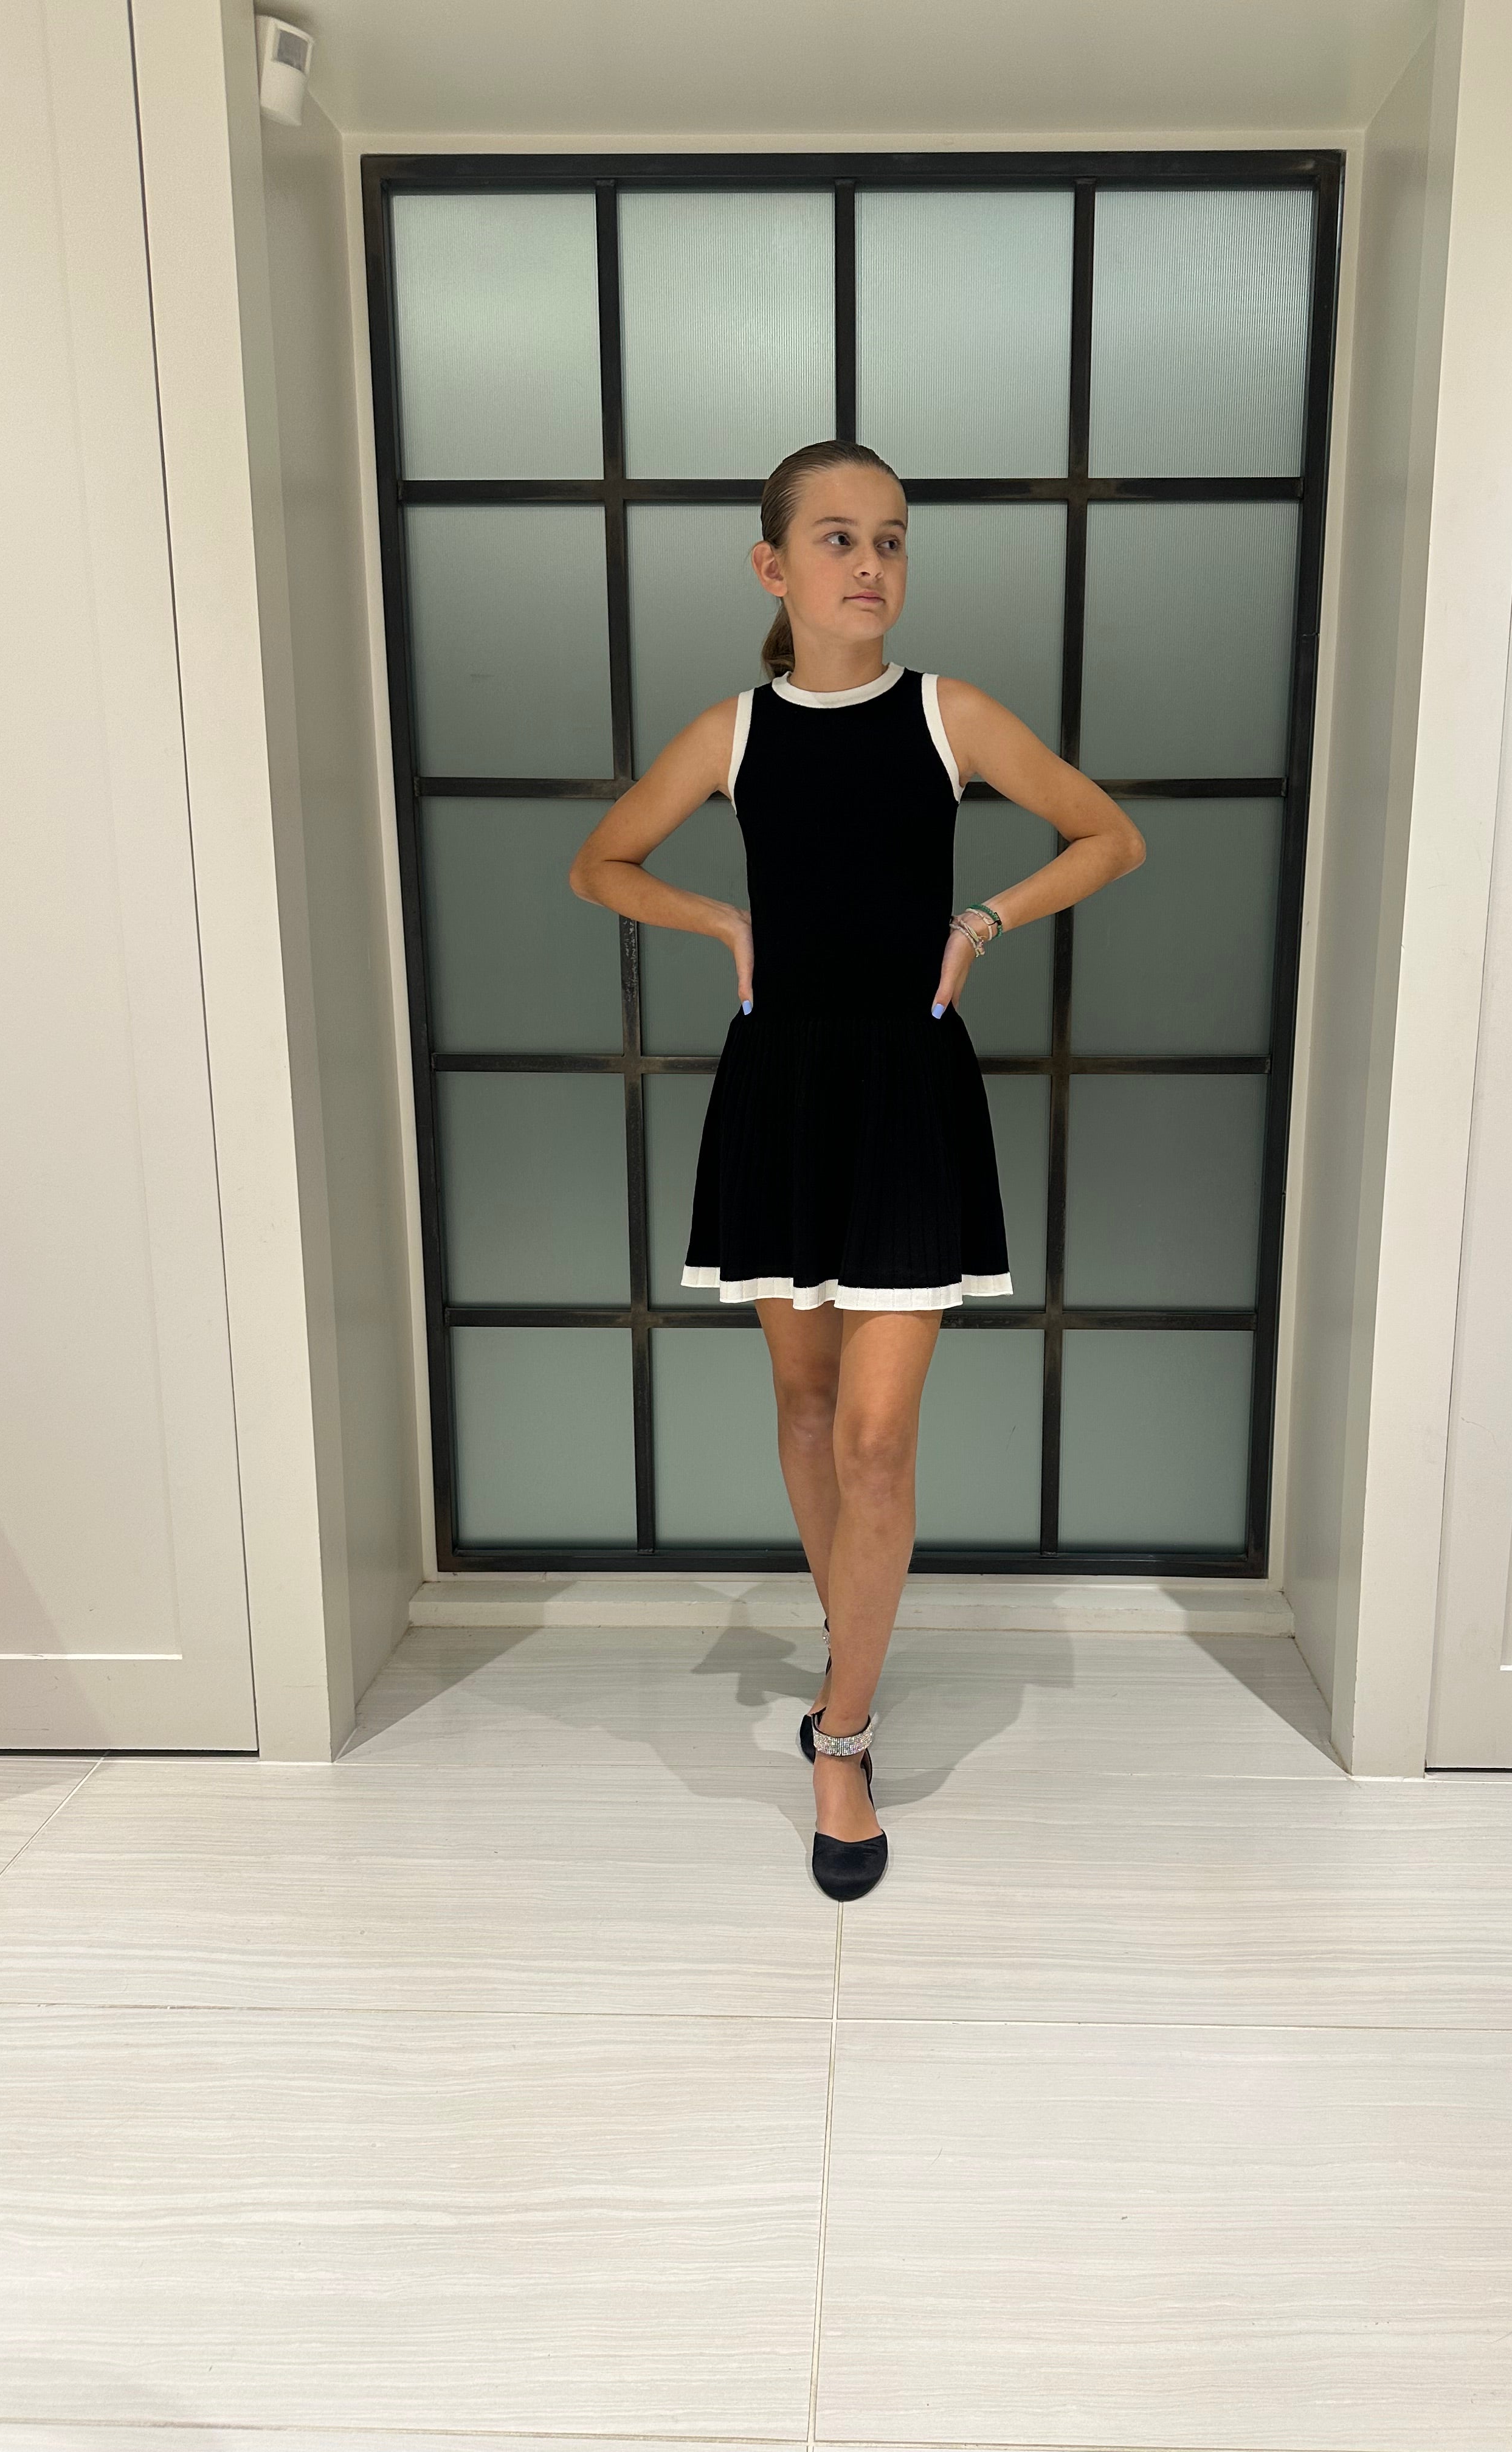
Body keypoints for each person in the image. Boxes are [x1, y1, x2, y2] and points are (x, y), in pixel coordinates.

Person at [569, 438, 1144, 1902]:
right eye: (837, 539)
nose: (870, 563)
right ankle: (856, 1643)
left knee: (878, 1443)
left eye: (890, 538)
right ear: (773, 567)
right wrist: (724, 924)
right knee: (809, 1411)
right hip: (782, 1094)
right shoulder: (732, 734)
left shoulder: (951, 715)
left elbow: (1110, 836)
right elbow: (600, 865)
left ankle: (843, 1734)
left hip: (907, 1099)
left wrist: (985, 923)